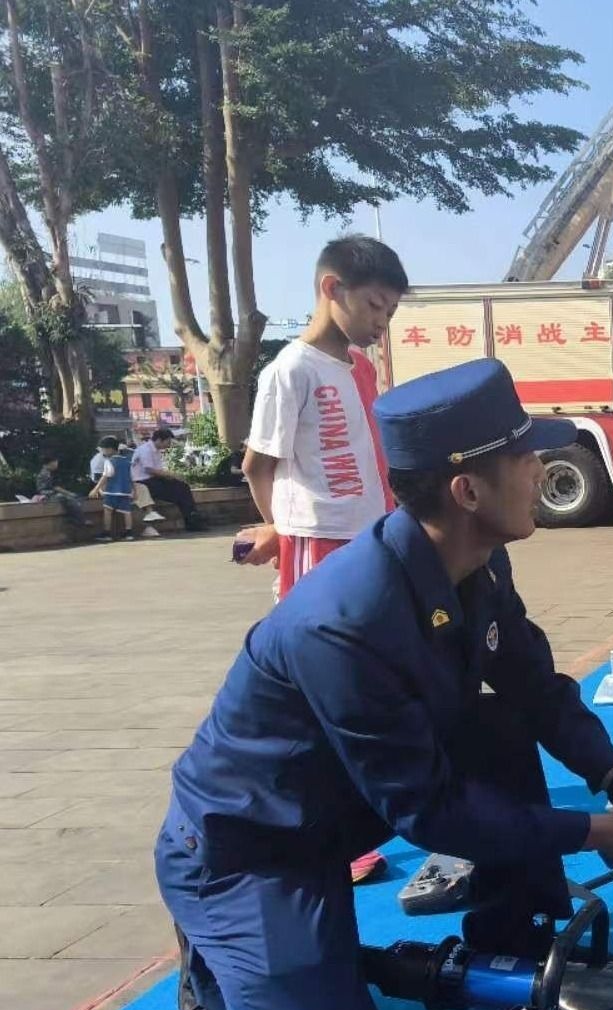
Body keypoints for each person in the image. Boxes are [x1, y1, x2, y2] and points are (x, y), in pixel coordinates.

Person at [156, 358, 613, 1010]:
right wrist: (596, 832)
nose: (540, 469)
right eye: (525, 457)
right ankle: (214, 956)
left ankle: (510, 930)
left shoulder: (477, 559)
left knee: (495, 723)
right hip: (249, 846)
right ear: (467, 491)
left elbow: (535, 686)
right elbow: (428, 811)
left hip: (346, 799)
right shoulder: (343, 623)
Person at [235, 234, 408, 884]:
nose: (380, 322)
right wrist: (278, 529)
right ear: (331, 288)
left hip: (371, 539)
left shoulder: (359, 369)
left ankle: (365, 808)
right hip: (318, 542)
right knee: (320, 689)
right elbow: (259, 464)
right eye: (374, 306)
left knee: (371, 679)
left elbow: (376, 455)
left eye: (389, 312)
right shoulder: (291, 370)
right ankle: (323, 830)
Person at [131, 428, 207, 530]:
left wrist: (170, 477)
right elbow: (149, 469)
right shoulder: (145, 450)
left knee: (183, 487)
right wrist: (171, 475)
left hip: (153, 480)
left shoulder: (156, 451)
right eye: (168, 441)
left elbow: (158, 470)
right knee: (178, 492)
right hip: (143, 482)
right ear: (159, 440)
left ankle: (192, 518)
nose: (169, 445)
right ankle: (192, 520)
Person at [89, 436, 139, 542]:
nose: (102, 452)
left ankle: (107, 533)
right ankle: (129, 532)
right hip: (125, 491)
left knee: (107, 510)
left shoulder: (109, 461)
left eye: (103, 449)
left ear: (109, 449)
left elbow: (105, 476)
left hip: (111, 491)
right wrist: (135, 491)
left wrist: (96, 489)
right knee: (127, 511)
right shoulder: (127, 462)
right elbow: (132, 477)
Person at [33, 458, 89, 532]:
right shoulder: (45, 473)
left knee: (70, 498)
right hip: (48, 495)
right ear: (51, 463)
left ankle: (74, 518)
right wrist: (69, 494)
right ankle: (80, 520)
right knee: (66, 498)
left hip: (49, 493)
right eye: (56, 462)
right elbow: (55, 487)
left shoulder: (47, 472)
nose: (57, 464)